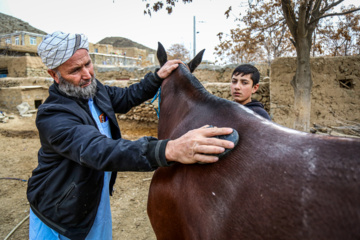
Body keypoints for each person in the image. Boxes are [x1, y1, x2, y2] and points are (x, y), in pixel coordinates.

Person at [26, 31, 235, 240]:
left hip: (91, 198)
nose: (87, 74)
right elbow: (98, 149)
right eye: (75, 70)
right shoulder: (53, 115)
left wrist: (156, 77)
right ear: (54, 75)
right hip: (60, 217)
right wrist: (169, 149)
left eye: (88, 64)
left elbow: (127, 97)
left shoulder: (94, 91)